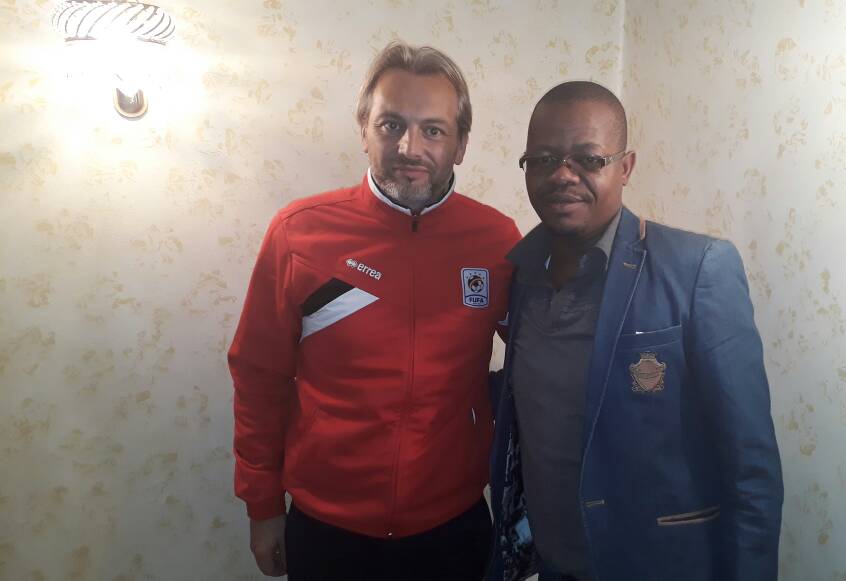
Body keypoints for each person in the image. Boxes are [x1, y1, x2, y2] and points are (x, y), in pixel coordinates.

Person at [229, 41, 521, 580]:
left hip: (452, 528)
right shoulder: (299, 234)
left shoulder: (496, 242)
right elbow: (258, 378)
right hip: (327, 531)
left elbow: (543, 361)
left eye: (433, 130)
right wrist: (262, 506)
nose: (410, 146)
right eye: (391, 124)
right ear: (364, 129)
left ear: (460, 145)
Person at [488, 81, 784, 581]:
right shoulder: (520, 277)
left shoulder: (697, 270)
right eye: (543, 159)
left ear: (624, 167)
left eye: (589, 159)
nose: (562, 175)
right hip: (554, 565)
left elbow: (751, 470)